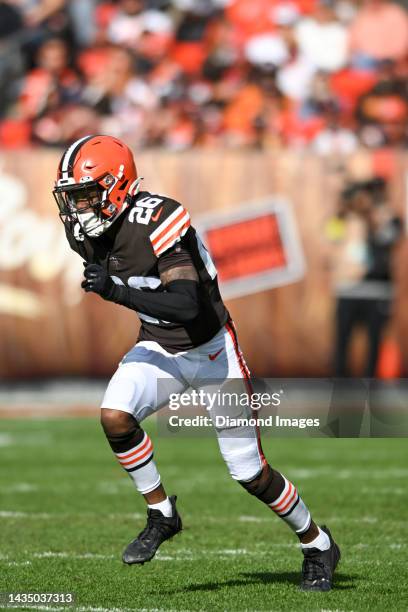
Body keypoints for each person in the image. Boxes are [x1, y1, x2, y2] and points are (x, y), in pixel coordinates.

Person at [53, 134, 340, 591]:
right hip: (158, 348)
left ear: (119, 185)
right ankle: (162, 513)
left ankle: (317, 543)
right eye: (73, 198)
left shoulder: (160, 218)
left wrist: (115, 291)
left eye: (87, 195)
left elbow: (187, 305)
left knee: (249, 472)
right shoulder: (84, 234)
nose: (79, 208)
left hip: (211, 353)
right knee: (114, 417)